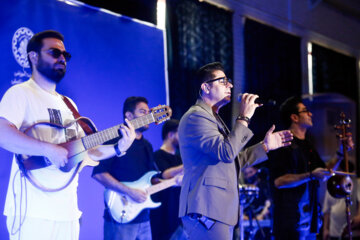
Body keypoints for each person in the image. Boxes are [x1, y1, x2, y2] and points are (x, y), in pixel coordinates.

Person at [0, 30, 136, 240]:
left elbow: (87, 151)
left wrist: (119, 147)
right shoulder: (20, 93)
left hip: (68, 212)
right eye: (55, 52)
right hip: (32, 213)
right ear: (33, 57)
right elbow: (2, 133)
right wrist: (48, 149)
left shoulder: (69, 105)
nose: (62, 58)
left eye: (65, 55)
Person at [178, 62, 293, 240]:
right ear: (205, 87)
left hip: (219, 210)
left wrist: (265, 146)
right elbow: (226, 152)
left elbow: (231, 159)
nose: (230, 85)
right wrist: (244, 117)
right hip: (207, 210)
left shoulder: (212, 117)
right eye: (223, 81)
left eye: (229, 81)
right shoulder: (197, 116)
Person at [93, 96, 169, 240]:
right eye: (142, 112)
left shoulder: (147, 146)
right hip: (119, 217)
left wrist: (171, 182)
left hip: (143, 217)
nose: (148, 116)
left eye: (149, 112)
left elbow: (150, 179)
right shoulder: (115, 140)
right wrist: (130, 192)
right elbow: (99, 174)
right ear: (129, 115)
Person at [269, 96, 332, 240]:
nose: (310, 114)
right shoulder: (283, 143)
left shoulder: (308, 144)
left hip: (309, 218)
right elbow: (279, 181)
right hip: (290, 221)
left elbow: (323, 171)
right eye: (305, 111)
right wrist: (310, 175)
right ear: (294, 117)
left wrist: (341, 152)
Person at [150, 119, 185, 240]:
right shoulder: (156, 156)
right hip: (162, 217)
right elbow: (165, 174)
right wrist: (189, 164)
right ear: (170, 135)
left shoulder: (180, 158)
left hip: (178, 217)